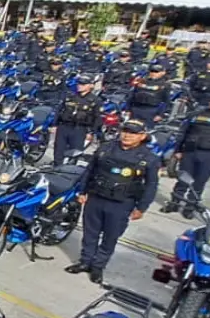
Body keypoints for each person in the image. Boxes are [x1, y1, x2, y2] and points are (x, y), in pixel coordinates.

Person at [66, 119, 159, 284]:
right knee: (90, 233)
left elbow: (151, 185)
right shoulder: (106, 148)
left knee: (110, 237)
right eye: (125, 131)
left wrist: (142, 207)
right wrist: (82, 191)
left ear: (142, 136)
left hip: (122, 203)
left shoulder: (149, 158)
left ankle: (98, 267)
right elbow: (90, 171)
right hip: (96, 197)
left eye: (133, 133)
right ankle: (85, 262)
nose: (127, 135)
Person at [164, 93, 210, 217]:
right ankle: (173, 204)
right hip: (189, 152)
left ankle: (189, 208)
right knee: (182, 180)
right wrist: (178, 150)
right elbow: (183, 133)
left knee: (199, 183)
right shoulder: (197, 114)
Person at [53, 77, 100, 165]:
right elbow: (59, 110)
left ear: (90, 86)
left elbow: (97, 118)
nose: (80, 86)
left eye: (83, 84)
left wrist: (91, 132)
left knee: (75, 153)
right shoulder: (70, 96)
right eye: (79, 84)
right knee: (58, 150)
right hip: (64, 126)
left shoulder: (95, 100)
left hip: (79, 129)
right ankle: (56, 168)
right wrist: (54, 125)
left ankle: (70, 169)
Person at [129, 62, 172, 127]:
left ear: (163, 73)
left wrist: (161, 114)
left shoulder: (165, 84)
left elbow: (166, 101)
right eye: (152, 71)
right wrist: (128, 109)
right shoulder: (141, 80)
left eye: (156, 72)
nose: (153, 73)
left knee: (146, 129)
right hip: (136, 108)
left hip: (151, 110)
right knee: (132, 128)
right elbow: (132, 95)